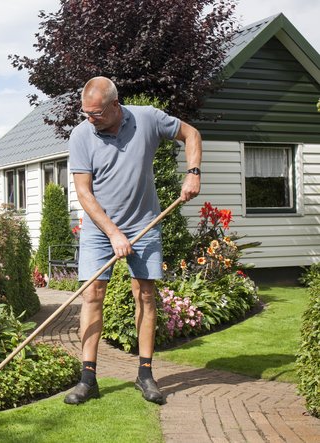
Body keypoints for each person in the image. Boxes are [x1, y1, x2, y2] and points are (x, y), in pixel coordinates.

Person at [65, 76, 202, 405]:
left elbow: (191, 134)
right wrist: (113, 233)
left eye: (96, 113)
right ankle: (88, 379)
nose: (90, 119)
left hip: (145, 222)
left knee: (145, 295)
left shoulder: (148, 118)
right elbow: (84, 192)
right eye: (85, 113)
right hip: (100, 230)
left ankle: (145, 373)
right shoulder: (82, 135)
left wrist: (193, 172)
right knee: (93, 295)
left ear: (115, 105)